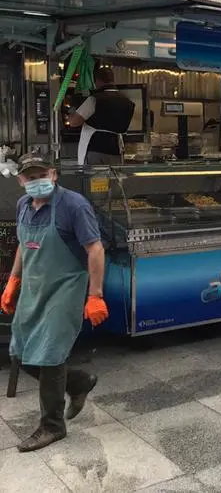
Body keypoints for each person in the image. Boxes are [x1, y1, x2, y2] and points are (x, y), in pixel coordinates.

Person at [0, 152, 108, 452]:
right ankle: (78, 382)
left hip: (66, 287)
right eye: (30, 178)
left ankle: (52, 426)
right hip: (34, 286)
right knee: (21, 352)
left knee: (49, 355)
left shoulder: (74, 205)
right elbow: (24, 244)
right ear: (21, 180)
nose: (36, 182)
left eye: (42, 176)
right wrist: (14, 280)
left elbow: (95, 249)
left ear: (53, 174)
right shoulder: (23, 204)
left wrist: (95, 295)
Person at [68, 66, 136, 166]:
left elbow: (74, 122)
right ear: (112, 80)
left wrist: (71, 114)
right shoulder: (128, 102)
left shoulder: (94, 99)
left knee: (95, 180)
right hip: (115, 151)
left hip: (95, 150)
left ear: (97, 81)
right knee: (112, 180)